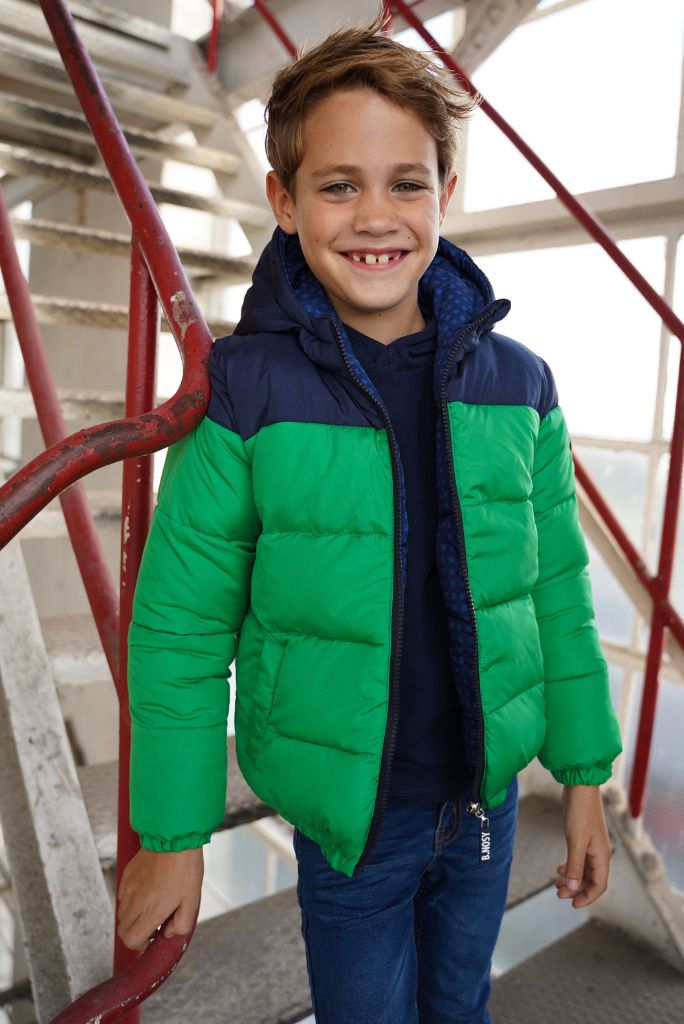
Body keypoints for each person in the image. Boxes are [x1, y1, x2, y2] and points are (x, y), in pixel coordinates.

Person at [116, 11, 623, 1022]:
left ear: (447, 192)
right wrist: (172, 835)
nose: (375, 215)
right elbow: (180, 627)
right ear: (284, 202)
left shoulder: (521, 383)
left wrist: (582, 777)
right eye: (338, 185)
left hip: (482, 804)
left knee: (459, 1005)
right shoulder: (245, 390)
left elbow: (557, 589)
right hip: (351, 820)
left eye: (407, 183)